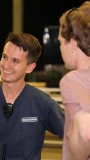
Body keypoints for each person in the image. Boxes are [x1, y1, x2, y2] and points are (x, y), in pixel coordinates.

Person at [58, 2, 90, 160]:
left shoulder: (74, 80)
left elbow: (85, 132)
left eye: (60, 42)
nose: (60, 49)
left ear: (73, 44)